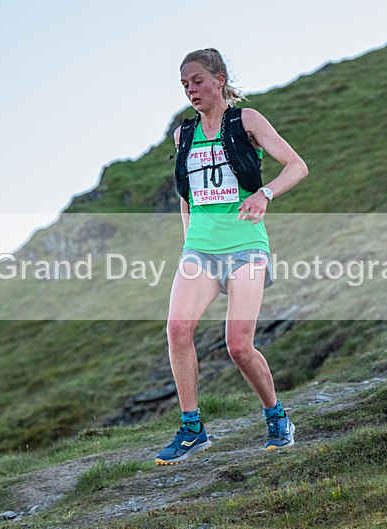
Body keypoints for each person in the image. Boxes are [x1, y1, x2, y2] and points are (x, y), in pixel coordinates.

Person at [154, 48, 308, 466]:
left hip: (245, 246)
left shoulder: (247, 121)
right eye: (185, 84)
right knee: (177, 330)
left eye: (198, 80)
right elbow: (184, 195)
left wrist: (265, 193)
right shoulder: (183, 135)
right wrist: (190, 242)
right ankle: (192, 429)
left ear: (219, 78)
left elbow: (297, 166)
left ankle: (277, 417)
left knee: (238, 345)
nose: (191, 90)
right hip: (200, 250)